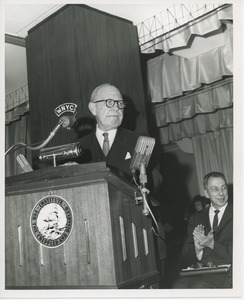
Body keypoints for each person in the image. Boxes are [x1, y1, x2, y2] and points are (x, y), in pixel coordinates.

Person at [76, 83, 163, 192]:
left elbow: (156, 182)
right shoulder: (77, 148)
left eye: (120, 103)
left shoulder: (140, 142)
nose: (116, 108)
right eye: (109, 102)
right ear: (93, 108)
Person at [173, 171, 233, 288]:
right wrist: (198, 250)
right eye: (215, 189)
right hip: (200, 270)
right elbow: (186, 251)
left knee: (200, 287)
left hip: (229, 271)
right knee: (178, 287)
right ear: (206, 193)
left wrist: (212, 244)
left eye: (223, 188)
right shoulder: (196, 217)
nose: (221, 193)